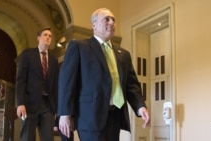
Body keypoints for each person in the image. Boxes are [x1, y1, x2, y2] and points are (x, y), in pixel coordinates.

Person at [57, 8, 150, 141]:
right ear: (93, 25)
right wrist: (65, 113)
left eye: (113, 20)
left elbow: (132, 85)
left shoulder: (123, 54)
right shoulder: (79, 47)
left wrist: (140, 107)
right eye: (106, 19)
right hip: (90, 117)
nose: (112, 22)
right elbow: (67, 82)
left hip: (115, 116)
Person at [16, 27, 59, 141]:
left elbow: (55, 86)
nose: (48, 37)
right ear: (38, 38)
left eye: (50, 36)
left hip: (48, 105)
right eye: (45, 35)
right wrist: (20, 103)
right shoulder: (28, 54)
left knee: (48, 138)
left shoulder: (54, 61)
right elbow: (20, 80)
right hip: (29, 104)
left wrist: (56, 109)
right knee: (27, 138)